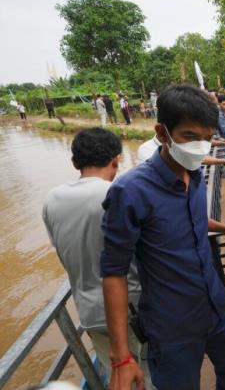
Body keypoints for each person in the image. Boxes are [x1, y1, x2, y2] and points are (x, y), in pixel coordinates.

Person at [101, 85, 225, 390]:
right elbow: (113, 272)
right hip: (172, 327)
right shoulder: (130, 192)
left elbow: (191, 220)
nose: (199, 147)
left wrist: (224, 227)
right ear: (163, 132)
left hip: (216, 307)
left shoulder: (193, 173)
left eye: (206, 139)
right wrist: (121, 357)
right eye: (190, 137)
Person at [42, 128, 146, 378]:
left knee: (115, 376)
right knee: (146, 374)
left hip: (89, 312)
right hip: (131, 309)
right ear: (116, 160)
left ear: (75, 161)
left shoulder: (52, 200)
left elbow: (64, 252)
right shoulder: (118, 194)